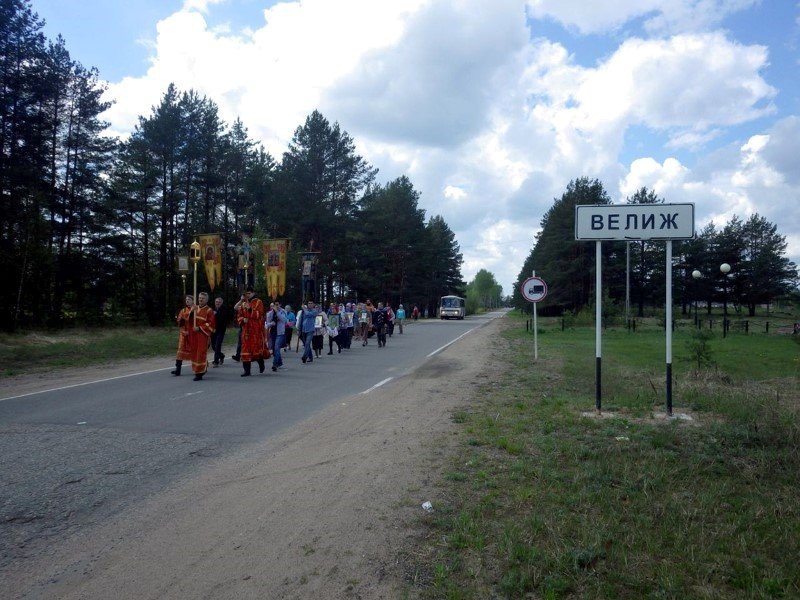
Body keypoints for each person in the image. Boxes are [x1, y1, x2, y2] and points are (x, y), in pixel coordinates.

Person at [236, 286, 266, 376]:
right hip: (246, 331)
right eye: (246, 294)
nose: (247, 295)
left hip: (255, 331)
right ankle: (247, 371)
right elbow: (239, 315)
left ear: (253, 293)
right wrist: (242, 320)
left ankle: (261, 363)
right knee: (245, 350)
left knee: (256, 351)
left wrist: (250, 309)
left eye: (249, 293)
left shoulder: (258, 302)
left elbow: (259, 314)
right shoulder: (244, 303)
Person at [188, 292, 216, 380]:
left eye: (203, 298)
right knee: (194, 352)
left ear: (206, 300)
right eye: (199, 298)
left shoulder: (209, 310)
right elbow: (189, 320)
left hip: (203, 335)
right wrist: (192, 312)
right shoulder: (195, 308)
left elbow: (211, 324)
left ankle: (199, 373)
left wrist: (200, 328)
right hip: (194, 335)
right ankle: (197, 368)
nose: (200, 299)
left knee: (200, 353)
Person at [171, 295, 195, 376]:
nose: (187, 301)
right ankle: (178, 370)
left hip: (192, 334)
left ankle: (200, 367)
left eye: (189, 299)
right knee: (180, 352)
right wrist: (180, 319)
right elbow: (179, 320)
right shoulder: (183, 310)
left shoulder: (196, 309)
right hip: (184, 334)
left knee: (195, 351)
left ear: (193, 301)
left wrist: (191, 313)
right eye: (186, 299)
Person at [211, 297, 229, 366]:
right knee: (213, 346)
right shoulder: (213, 309)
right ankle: (221, 356)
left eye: (219, 302)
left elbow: (223, 320)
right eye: (216, 302)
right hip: (213, 330)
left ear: (221, 303)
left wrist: (216, 314)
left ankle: (216, 361)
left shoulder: (224, 309)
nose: (217, 303)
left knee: (218, 345)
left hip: (221, 330)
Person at [270, 301, 287, 371]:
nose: (276, 306)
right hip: (273, 332)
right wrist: (271, 324)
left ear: (280, 304)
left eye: (277, 305)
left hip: (280, 333)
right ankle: (279, 362)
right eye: (275, 305)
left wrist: (277, 312)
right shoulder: (271, 312)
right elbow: (267, 322)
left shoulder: (283, 311)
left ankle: (275, 364)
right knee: (275, 349)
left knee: (277, 348)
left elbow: (284, 320)